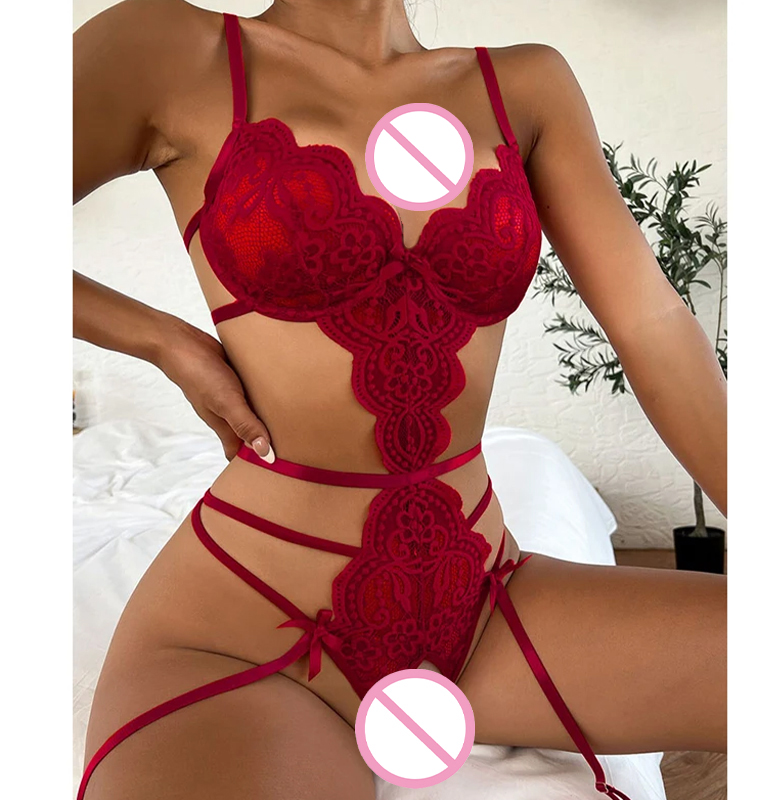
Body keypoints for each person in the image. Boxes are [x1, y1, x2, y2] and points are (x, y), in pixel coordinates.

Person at [73, 1, 727, 798]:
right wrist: (163, 342)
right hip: (246, 634)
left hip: (483, 604)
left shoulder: (526, 85)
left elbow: (654, 324)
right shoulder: (169, 48)